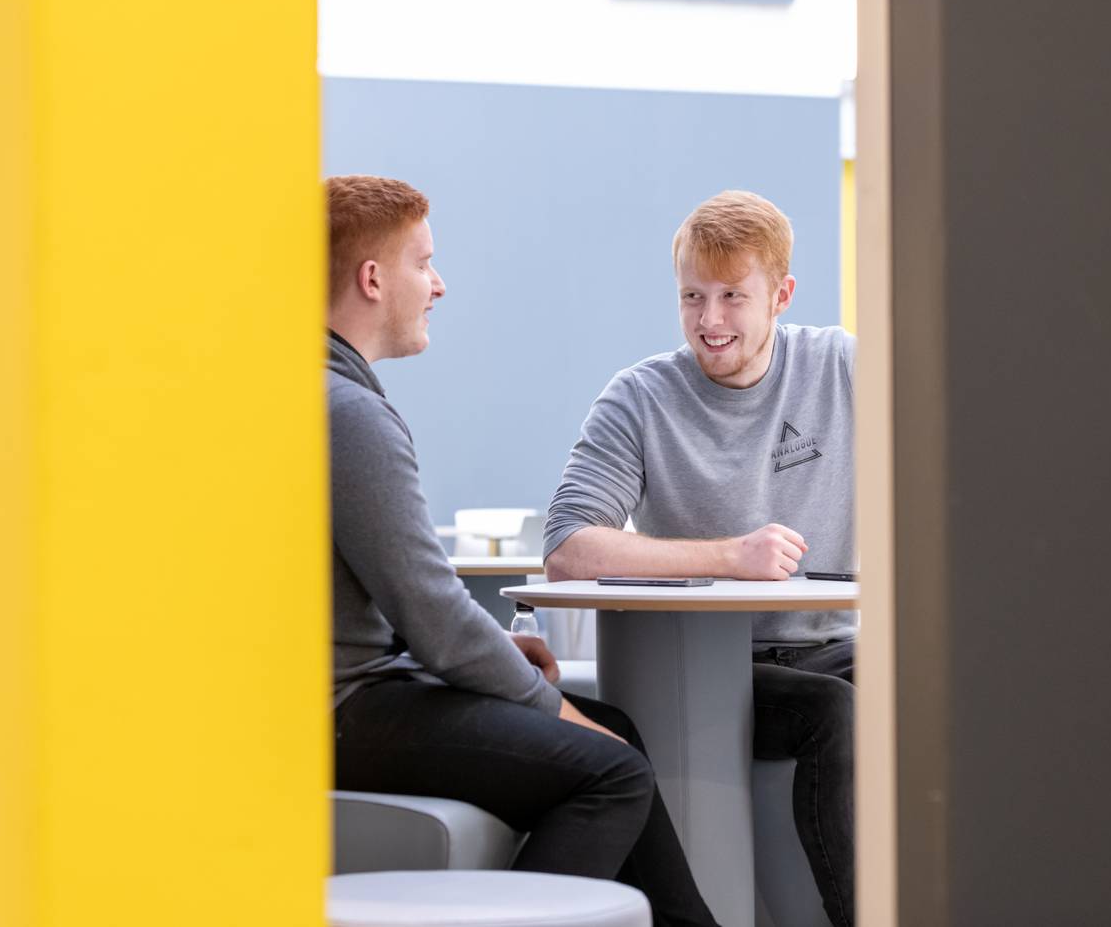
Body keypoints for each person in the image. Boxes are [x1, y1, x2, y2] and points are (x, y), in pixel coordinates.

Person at [326, 174, 721, 927]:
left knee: (619, 730)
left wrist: (510, 660)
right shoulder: (349, 416)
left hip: (361, 692)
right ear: (372, 279)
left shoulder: (321, 394)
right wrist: (548, 703)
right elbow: (435, 615)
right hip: (348, 709)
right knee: (612, 772)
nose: (438, 284)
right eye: (423, 263)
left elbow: (394, 602)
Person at [543, 190, 857, 927]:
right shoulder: (639, 397)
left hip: (838, 643)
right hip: (716, 667)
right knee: (833, 712)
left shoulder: (844, 367)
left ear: (780, 294)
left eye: (732, 297)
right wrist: (730, 556)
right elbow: (567, 547)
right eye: (692, 296)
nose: (709, 322)